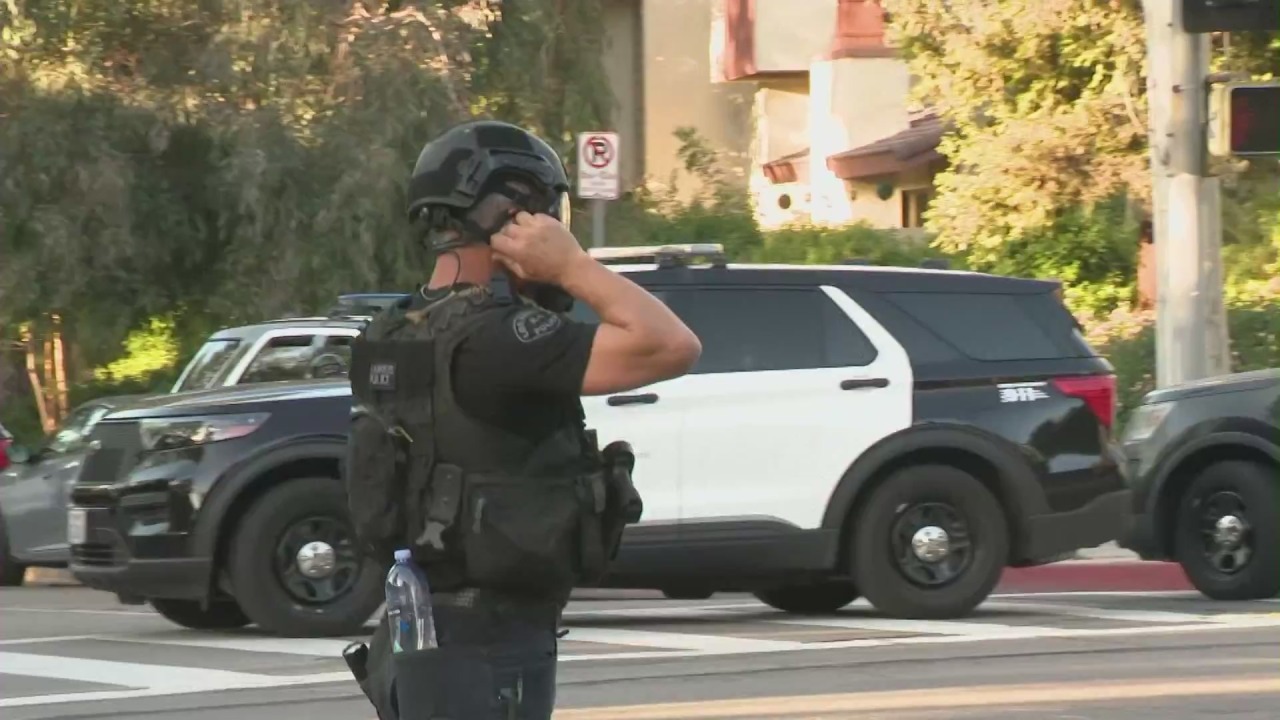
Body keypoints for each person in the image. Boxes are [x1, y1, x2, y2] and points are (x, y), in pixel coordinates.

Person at [341, 119, 701, 720]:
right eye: (548, 213)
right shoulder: (502, 340)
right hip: (488, 646)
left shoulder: (392, 333)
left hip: (420, 637)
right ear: (512, 214)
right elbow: (672, 345)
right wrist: (572, 267)